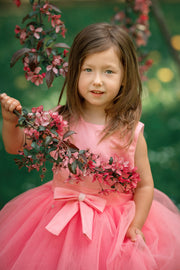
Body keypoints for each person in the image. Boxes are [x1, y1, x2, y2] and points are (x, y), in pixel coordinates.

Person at [0, 22, 180, 270]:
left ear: (125, 77)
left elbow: (145, 185)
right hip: (60, 220)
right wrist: (11, 123)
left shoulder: (129, 132)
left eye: (108, 72)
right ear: (74, 72)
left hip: (113, 226)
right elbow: (16, 147)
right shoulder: (59, 121)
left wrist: (135, 225)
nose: (97, 81)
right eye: (88, 70)